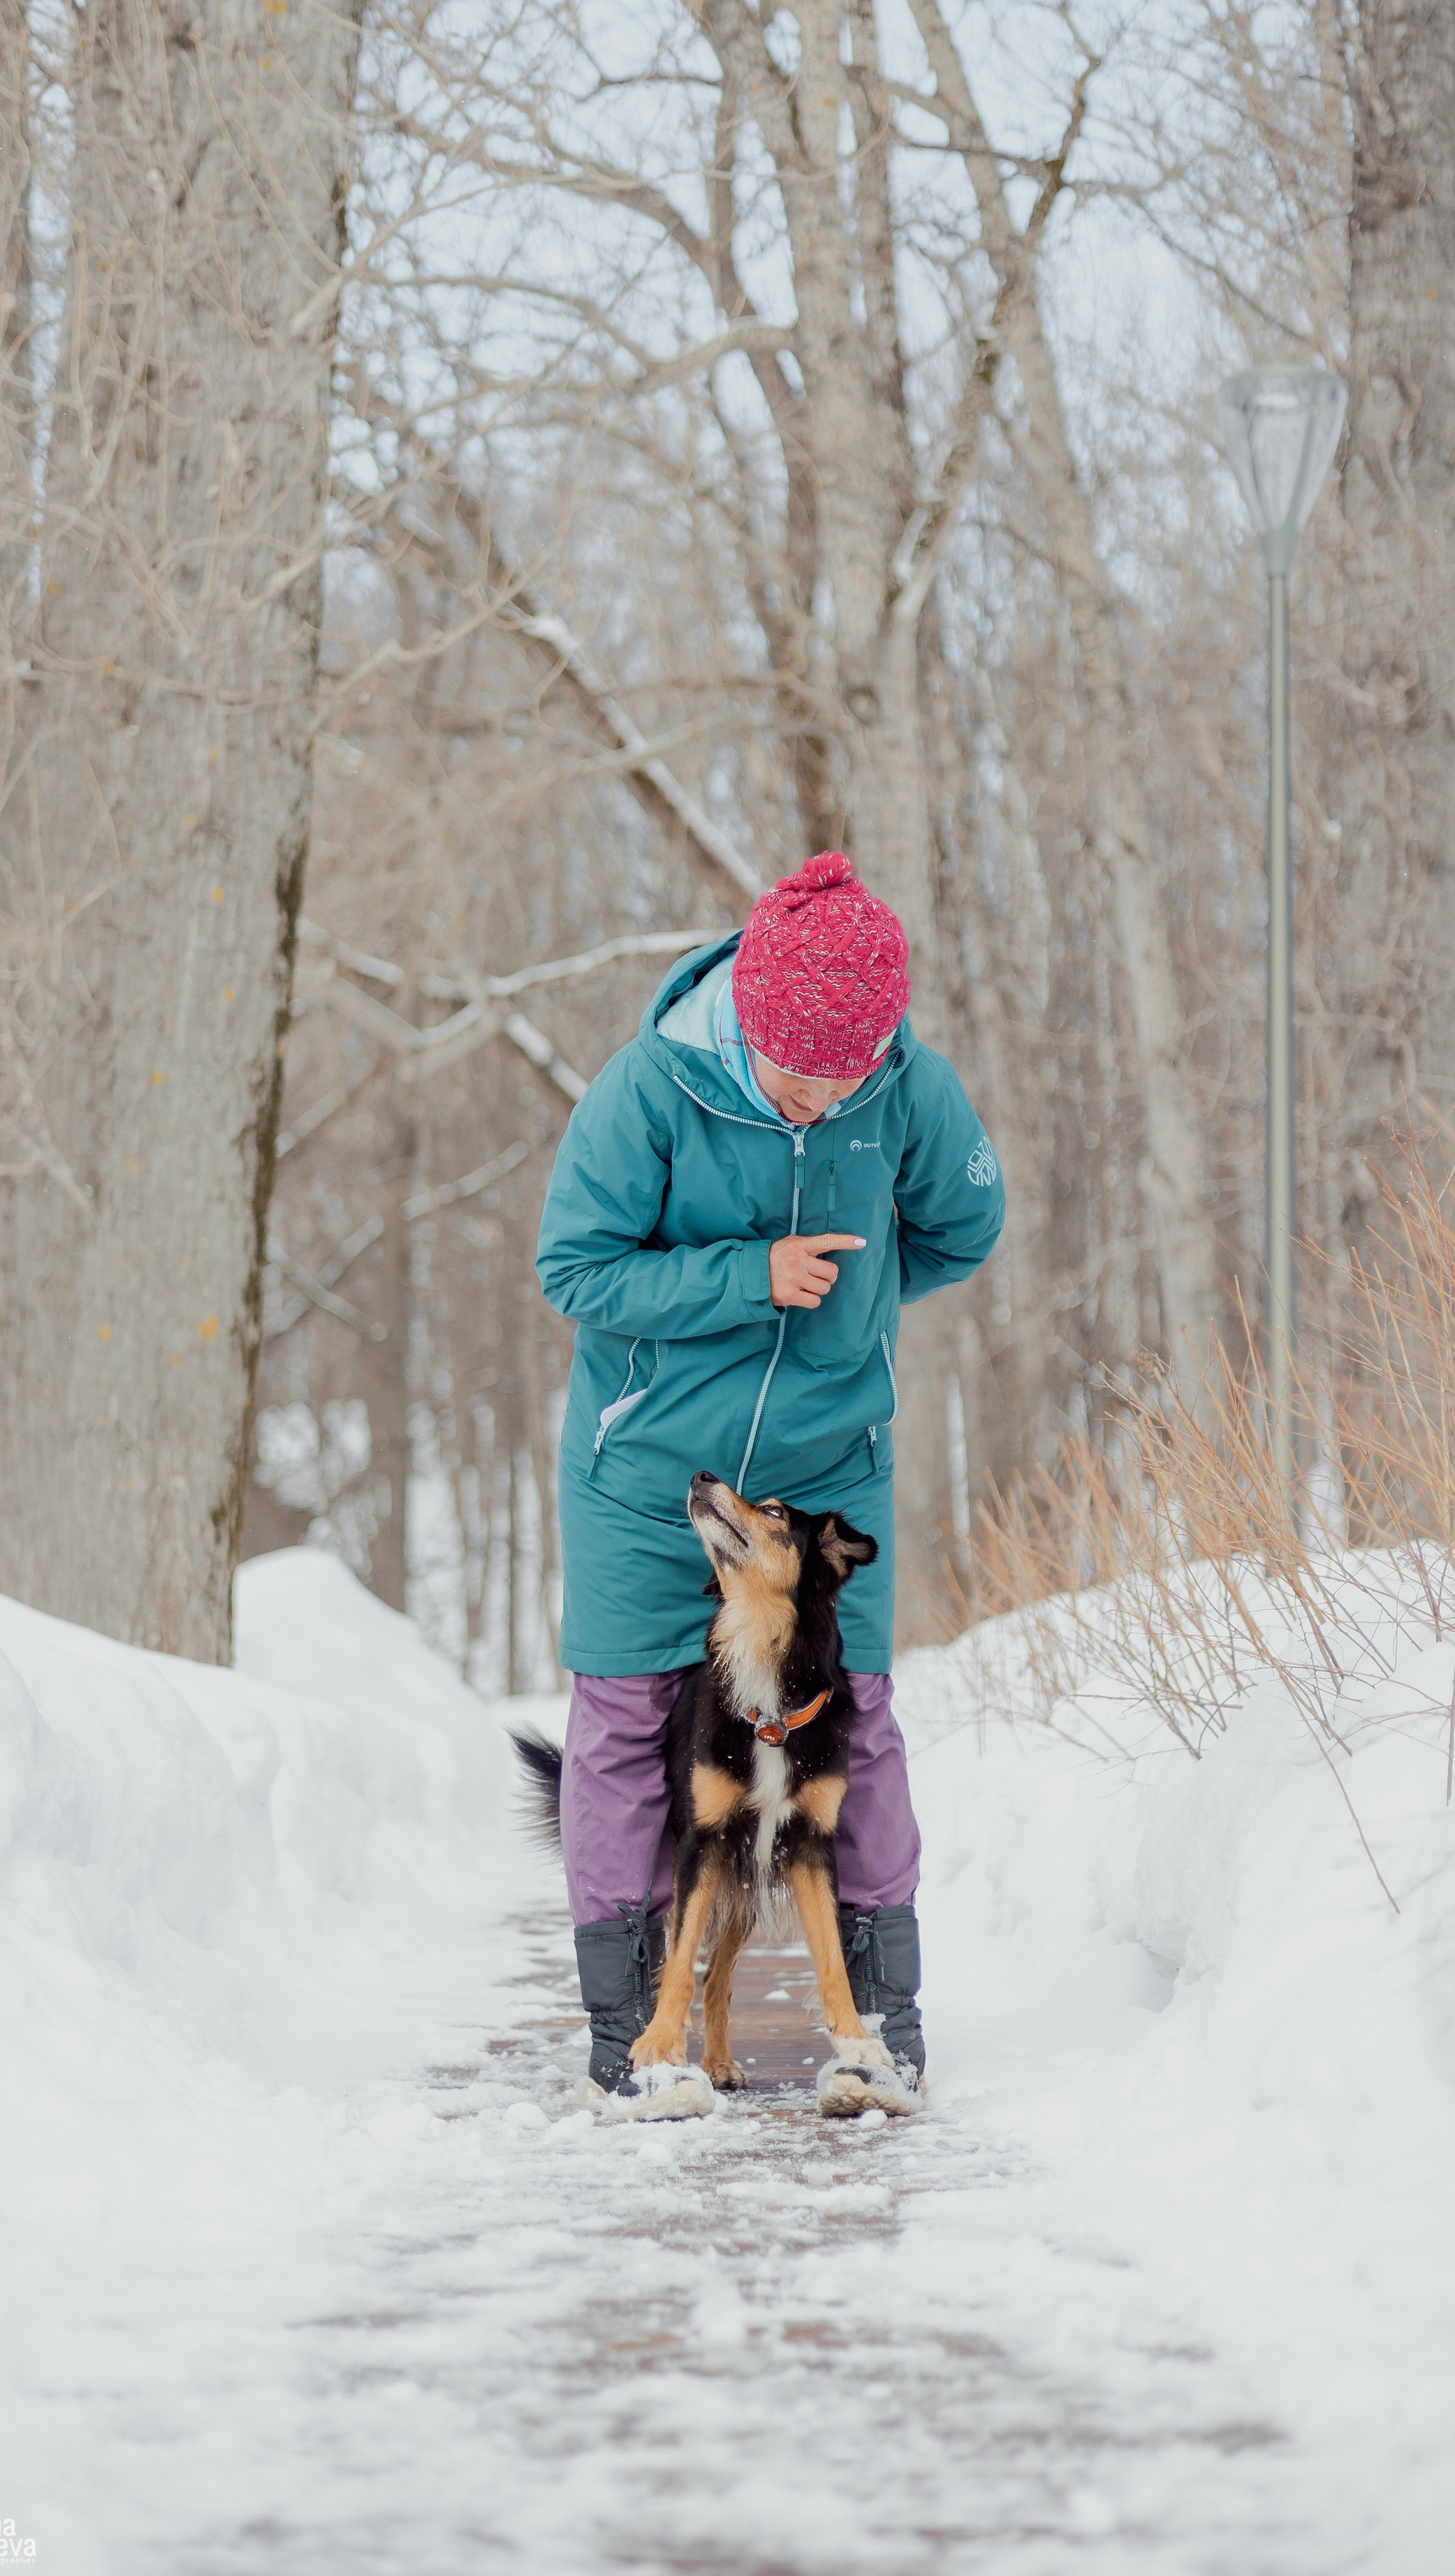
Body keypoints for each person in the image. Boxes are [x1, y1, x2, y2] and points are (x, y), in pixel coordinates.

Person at [534, 851, 1004, 2106]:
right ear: (749, 1023)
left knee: (857, 1709)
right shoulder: (647, 1093)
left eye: (844, 1080)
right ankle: (632, 2031)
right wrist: (748, 1278)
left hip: (824, 1474)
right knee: (629, 1720)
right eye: (799, 1079)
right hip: (649, 1468)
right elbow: (574, 1270)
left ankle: (883, 2021)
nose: (820, 1103)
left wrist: (850, 1324)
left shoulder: (904, 1087)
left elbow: (965, 1225)